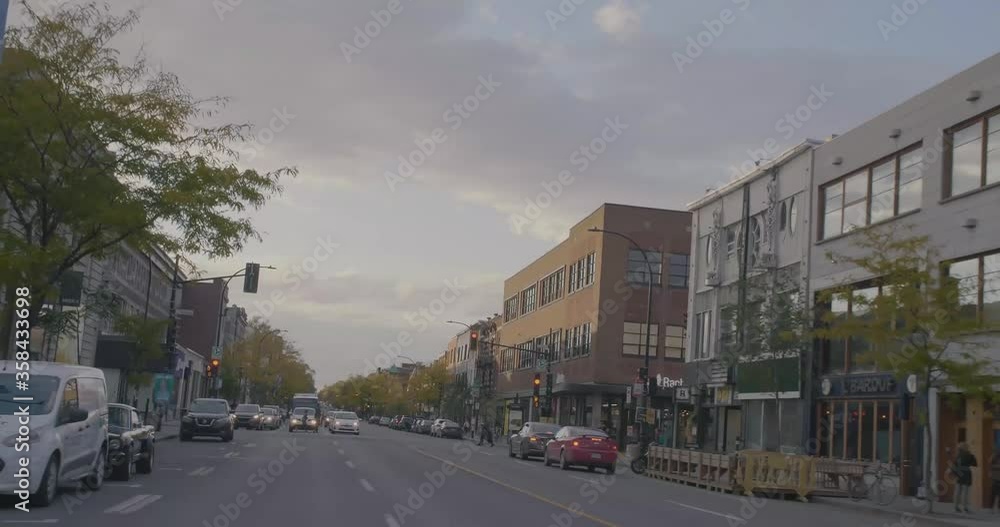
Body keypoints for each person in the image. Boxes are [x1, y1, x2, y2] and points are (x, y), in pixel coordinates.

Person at [951, 442, 977, 513]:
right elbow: (975, 464)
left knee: (957, 491)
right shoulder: (970, 455)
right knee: (965, 492)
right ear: (966, 448)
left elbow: (954, 465)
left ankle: (956, 506)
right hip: (966, 473)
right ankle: (965, 507)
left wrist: (954, 474)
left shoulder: (958, 455)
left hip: (959, 473)